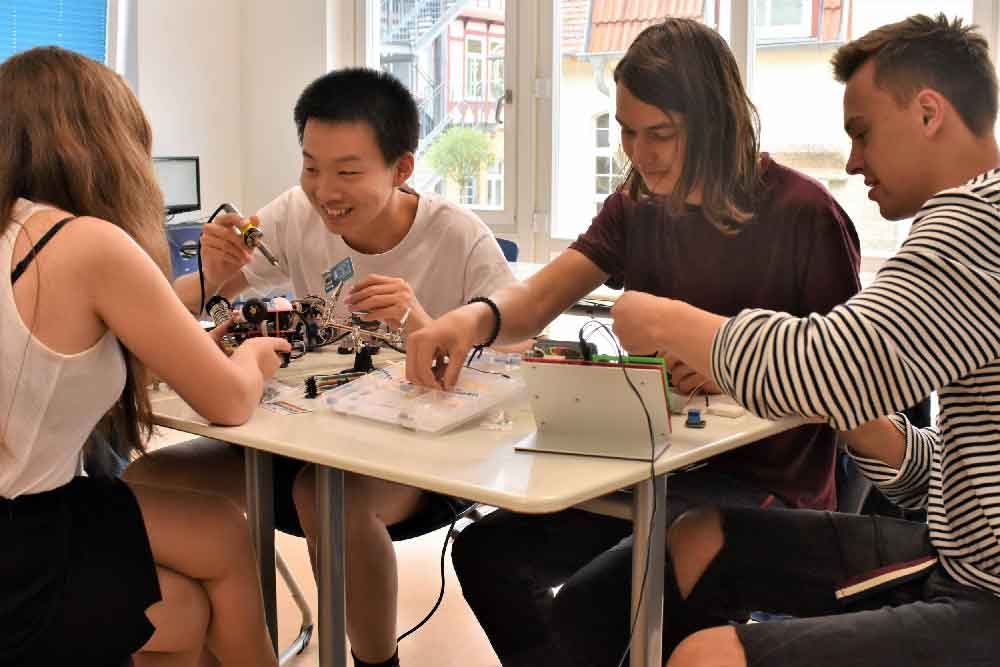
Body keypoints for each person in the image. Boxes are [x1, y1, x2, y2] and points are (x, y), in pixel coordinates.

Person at [405, 17, 863, 667]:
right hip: (648, 463)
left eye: (661, 134)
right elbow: (537, 300)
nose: (640, 154)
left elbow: (858, 385)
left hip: (767, 483)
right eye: (625, 131)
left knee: (604, 608)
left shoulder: (804, 213)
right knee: (487, 552)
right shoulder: (636, 204)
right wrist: (470, 320)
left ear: (715, 119)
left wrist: (733, 370)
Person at [581, 12, 1000, 666]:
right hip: (954, 549)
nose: (854, 159)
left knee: (703, 656)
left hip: (982, 588)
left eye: (862, 133)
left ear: (928, 113)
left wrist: (667, 321)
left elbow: (832, 363)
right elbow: (964, 470)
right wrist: (881, 438)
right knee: (696, 538)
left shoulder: (973, 227)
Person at [124, 67, 516, 667]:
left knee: (325, 496)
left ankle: (375, 661)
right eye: (311, 167)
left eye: (348, 172)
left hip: (411, 459)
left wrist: (421, 322)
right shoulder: (291, 215)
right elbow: (179, 309)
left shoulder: (458, 237)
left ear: (402, 168)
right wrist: (208, 271)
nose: (325, 190)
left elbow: (516, 369)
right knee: (145, 485)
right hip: (297, 438)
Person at [0, 47, 289, 667]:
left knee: (185, 603)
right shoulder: (83, 242)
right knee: (217, 550)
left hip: (29, 511)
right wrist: (257, 357)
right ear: (104, 145)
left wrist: (190, 339)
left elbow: (43, 363)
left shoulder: (16, 235)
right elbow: (231, 401)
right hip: (24, 538)